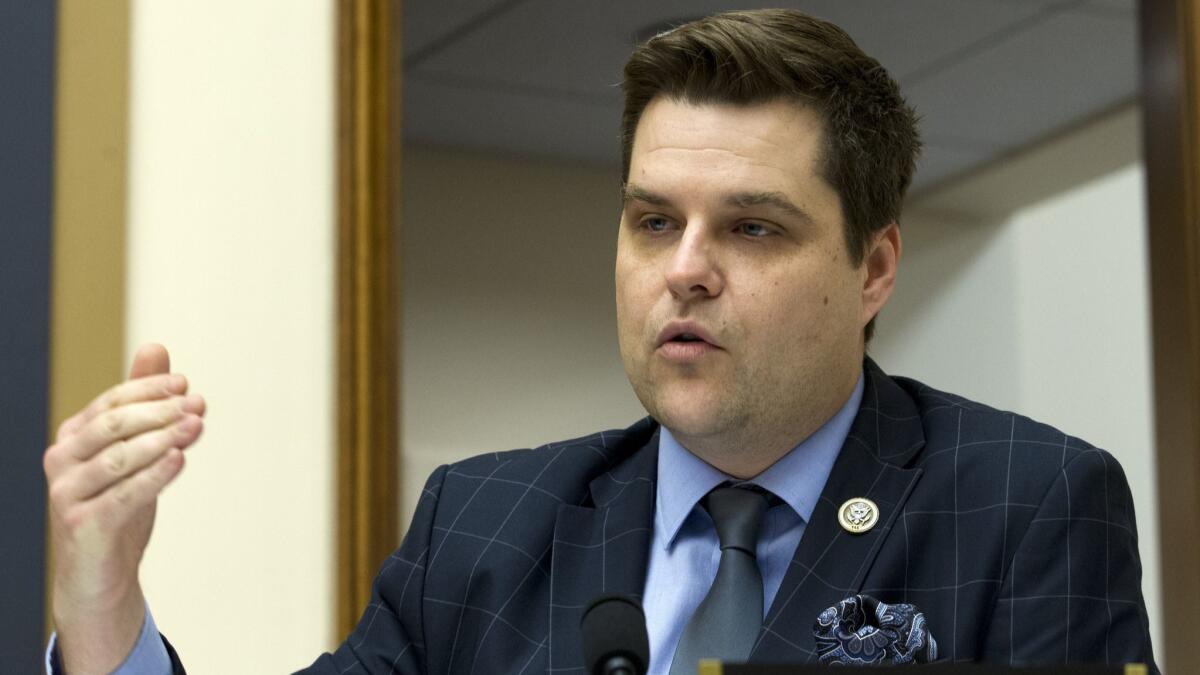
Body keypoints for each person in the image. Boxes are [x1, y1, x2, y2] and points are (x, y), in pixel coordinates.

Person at [44, 9, 1158, 674]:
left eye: (753, 228)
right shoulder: (481, 524)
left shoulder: (1028, 501)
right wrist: (103, 608)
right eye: (653, 221)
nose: (685, 267)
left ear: (871, 268)